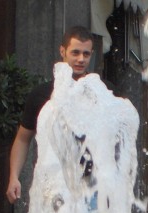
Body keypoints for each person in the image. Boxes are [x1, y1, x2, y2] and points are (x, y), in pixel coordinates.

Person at [6, 26, 97, 204]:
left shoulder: (103, 92)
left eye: (86, 54)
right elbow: (23, 138)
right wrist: (14, 176)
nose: (81, 59)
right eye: (75, 52)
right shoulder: (41, 94)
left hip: (93, 186)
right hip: (53, 185)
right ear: (62, 51)